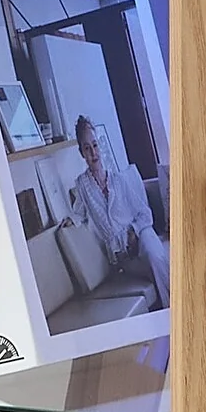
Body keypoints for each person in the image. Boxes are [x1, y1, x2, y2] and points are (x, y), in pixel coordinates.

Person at [63, 112, 164, 303]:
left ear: (99, 145)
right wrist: (69, 221)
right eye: (87, 148)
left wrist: (134, 231)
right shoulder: (82, 186)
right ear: (81, 153)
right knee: (155, 268)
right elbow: (79, 213)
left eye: (94, 145)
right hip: (122, 256)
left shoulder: (118, 179)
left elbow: (144, 213)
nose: (93, 153)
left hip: (142, 234)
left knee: (154, 256)